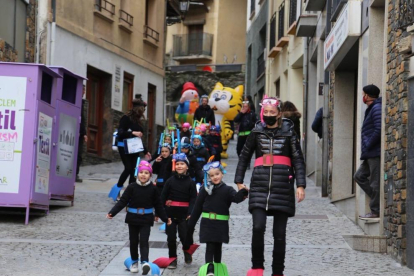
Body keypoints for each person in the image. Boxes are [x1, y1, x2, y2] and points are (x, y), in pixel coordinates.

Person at [234, 96, 306, 276]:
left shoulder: (290, 133)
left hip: (283, 187)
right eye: (265, 112)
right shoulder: (256, 132)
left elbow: (298, 159)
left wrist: (301, 185)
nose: (268, 115)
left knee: (279, 234)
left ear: (279, 114)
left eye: (271, 112)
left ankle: (277, 271)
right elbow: (244, 156)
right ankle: (257, 266)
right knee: (258, 227)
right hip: (259, 185)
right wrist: (239, 180)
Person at [107, 161, 171, 274]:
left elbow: (159, 205)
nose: (143, 175)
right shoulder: (132, 187)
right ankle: (134, 261)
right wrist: (112, 212)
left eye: (146, 173)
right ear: (137, 174)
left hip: (146, 218)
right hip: (132, 217)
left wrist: (165, 218)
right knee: (133, 241)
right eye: (141, 172)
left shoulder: (153, 189)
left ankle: (145, 262)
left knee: (144, 241)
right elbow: (122, 201)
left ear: (150, 175)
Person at [184, 161, 248, 276]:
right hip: (207, 223)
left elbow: (236, 198)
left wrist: (243, 191)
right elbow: (197, 208)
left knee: (218, 246)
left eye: (217, 174)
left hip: (221, 224)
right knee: (210, 245)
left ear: (222, 174)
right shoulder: (205, 189)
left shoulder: (228, 189)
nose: (215, 177)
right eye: (212, 175)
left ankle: (217, 267)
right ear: (208, 177)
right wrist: (191, 225)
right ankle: (210, 269)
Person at [161, 153, 198, 269]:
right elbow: (162, 197)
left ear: (187, 166)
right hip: (170, 215)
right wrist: (160, 213)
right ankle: (172, 259)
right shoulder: (170, 181)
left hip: (184, 215)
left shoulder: (191, 182)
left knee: (185, 238)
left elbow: (193, 199)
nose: (179, 166)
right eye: (177, 164)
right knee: (171, 238)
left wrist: (191, 212)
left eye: (182, 164)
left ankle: (187, 251)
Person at [354, 84, 382, 220]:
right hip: (369, 152)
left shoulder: (376, 108)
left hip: (374, 152)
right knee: (359, 176)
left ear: (367, 95)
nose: (362, 97)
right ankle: (378, 200)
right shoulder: (372, 108)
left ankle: (376, 210)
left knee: (374, 182)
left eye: (363, 94)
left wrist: (369, 144)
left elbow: (378, 129)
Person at [114, 99, 151, 196]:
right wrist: (133, 132)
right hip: (124, 147)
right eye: (143, 109)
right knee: (128, 168)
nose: (144, 111)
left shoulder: (139, 121)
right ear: (138, 108)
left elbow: (139, 139)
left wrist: (146, 151)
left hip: (135, 148)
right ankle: (117, 189)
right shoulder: (126, 118)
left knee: (134, 170)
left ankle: (130, 193)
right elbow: (120, 133)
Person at [76, 85, 87, 183]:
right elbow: (80, 118)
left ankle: (75, 173)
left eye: (84, 90)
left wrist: (84, 133)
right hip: (76, 131)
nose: (84, 92)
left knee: (79, 154)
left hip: (80, 132)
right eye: (83, 90)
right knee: (77, 154)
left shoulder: (81, 102)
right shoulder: (76, 101)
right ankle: (74, 174)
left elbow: (82, 119)